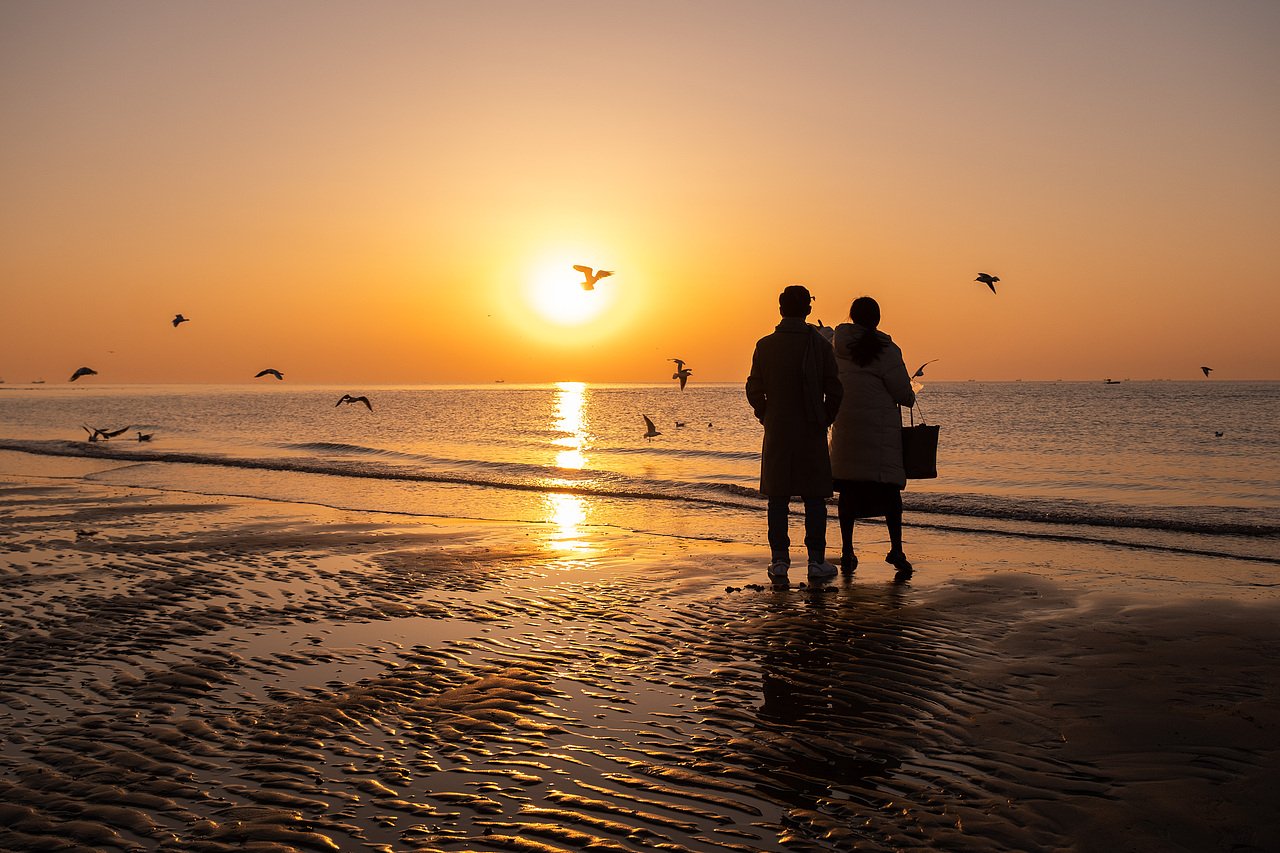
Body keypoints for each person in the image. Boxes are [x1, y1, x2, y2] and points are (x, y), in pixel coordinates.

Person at [745, 285, 843, 580]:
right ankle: (816, 561)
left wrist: (767, 415)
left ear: (780, 309)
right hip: (811, 429)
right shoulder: (821, 346)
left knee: (778, 499)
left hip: (777, 430)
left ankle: (779, 561)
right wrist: (824, 418)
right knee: (814, 498)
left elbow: (754, 388)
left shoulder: (765, 345)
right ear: (808, 311)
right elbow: (835, 390)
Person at [828, 296, 916, 575]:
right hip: (879, 433)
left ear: (852, 317)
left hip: (846, 425)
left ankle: (847, 550)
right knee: (889, 491)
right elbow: (903, 394)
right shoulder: (888, 350)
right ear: (877, 319)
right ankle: (896, 549)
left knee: (849, 490)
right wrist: (911, 394)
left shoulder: (836, 347)